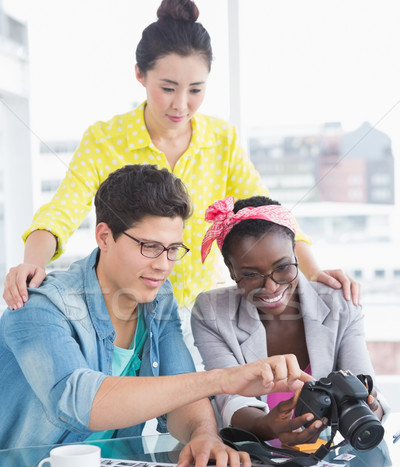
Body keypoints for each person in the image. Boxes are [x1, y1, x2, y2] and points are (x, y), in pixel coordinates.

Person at [3, 0, 360, 313]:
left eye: (196, 90)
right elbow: (62, 210)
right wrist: (31, 264)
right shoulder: (105, 139)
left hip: (203, 309)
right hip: (125, 307)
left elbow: (268, 214)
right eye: (168, 88)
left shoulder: (222, 139)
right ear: (140, 75)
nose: (181, 104)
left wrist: (314, 271)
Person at [0, 165, 316, 467]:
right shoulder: (39, 305)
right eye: (149, 247)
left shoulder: (157, 296)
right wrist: (222, 379)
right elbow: (82, 402)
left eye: (173, 249)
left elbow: (182, 386)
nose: (163, 265)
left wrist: (202, 434)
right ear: (105, 237)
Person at [191, 196, 388, 443]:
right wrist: (266, 427)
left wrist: (370, 409)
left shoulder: (339, 303)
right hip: (249, 460)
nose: (271, 286)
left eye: (283, 266)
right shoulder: (211, 312)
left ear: (296, 254)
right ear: (231, 271)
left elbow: (365, 388)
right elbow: (230, 399)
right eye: (251, 274)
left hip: (326, 460)